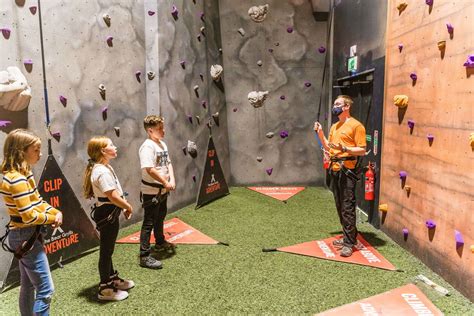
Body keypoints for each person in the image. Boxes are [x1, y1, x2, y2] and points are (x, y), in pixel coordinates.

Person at [0, 129, 63, 315]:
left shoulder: (23, 173)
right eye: (36, 150)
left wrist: (54, 211)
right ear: (21, 151)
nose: (40, 153)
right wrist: (53, 217)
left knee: (28, 286)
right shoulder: (17, 179)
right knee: (45, 290)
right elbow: (28, 216)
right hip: (25, 235)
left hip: (24, 235)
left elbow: (37, 201)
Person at [314, 95, 366, 257]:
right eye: (334, 104)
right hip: (334, 168)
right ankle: (347, 236)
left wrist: (345, 149)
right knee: (339, 205)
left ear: (346, 107)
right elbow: (329, 148)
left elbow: (362, 150)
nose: (334, 106)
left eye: (338, 104)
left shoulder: (356, 126)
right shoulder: (335, 126)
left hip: (347, 169)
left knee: (347, 206)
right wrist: (321, 133)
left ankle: (349, 243)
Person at [83, 136, 134, 301]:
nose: (115, 147)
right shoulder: (101, 171)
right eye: (111, 145)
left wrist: (123, 205)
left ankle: (112, 278)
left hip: (110, 211)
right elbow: (112, 195)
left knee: (108, 248)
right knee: (106, 251)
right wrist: (128, 206)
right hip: (107, 212)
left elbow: (114, 193)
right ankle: (105, 287)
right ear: (103, 151)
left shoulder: (104, 167)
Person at [138, 115, 176, 269]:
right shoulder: (147, 147)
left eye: (163, 127)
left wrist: (171, 180)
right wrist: (166, 182)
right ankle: (144, 255)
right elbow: (149, 169)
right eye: (160, 129)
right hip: (151, 191)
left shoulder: (162, 144)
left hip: (163, 190)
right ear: (150, 130)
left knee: (160, 216)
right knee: (149, 222)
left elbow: (169, 163)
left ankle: (159, 241)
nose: (163, 131)